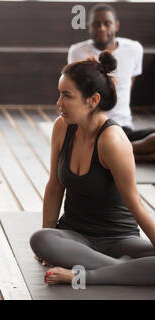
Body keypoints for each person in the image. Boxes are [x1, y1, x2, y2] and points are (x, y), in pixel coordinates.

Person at [29, 51, 155, 286]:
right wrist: (48, 236)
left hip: (119, 239)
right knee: (41, 239)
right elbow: (55, 186)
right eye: (59, 94)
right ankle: (126, 271)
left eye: (67, 96)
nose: (59, 104)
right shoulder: (62, 128)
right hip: (75, 237)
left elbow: (134, 202)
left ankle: (88, 275)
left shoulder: (112, 140)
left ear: (93, 100)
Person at [68, 3, 155, 162]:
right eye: (96, 24)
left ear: (116, 25)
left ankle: (121, 153)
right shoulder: (77, 52)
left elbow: (129, 85)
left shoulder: (134, 49)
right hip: (93, 129)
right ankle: (115, 151)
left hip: (123, 128)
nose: (101, 28)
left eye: (107, 23)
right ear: (89, 27)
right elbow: (75, 92)